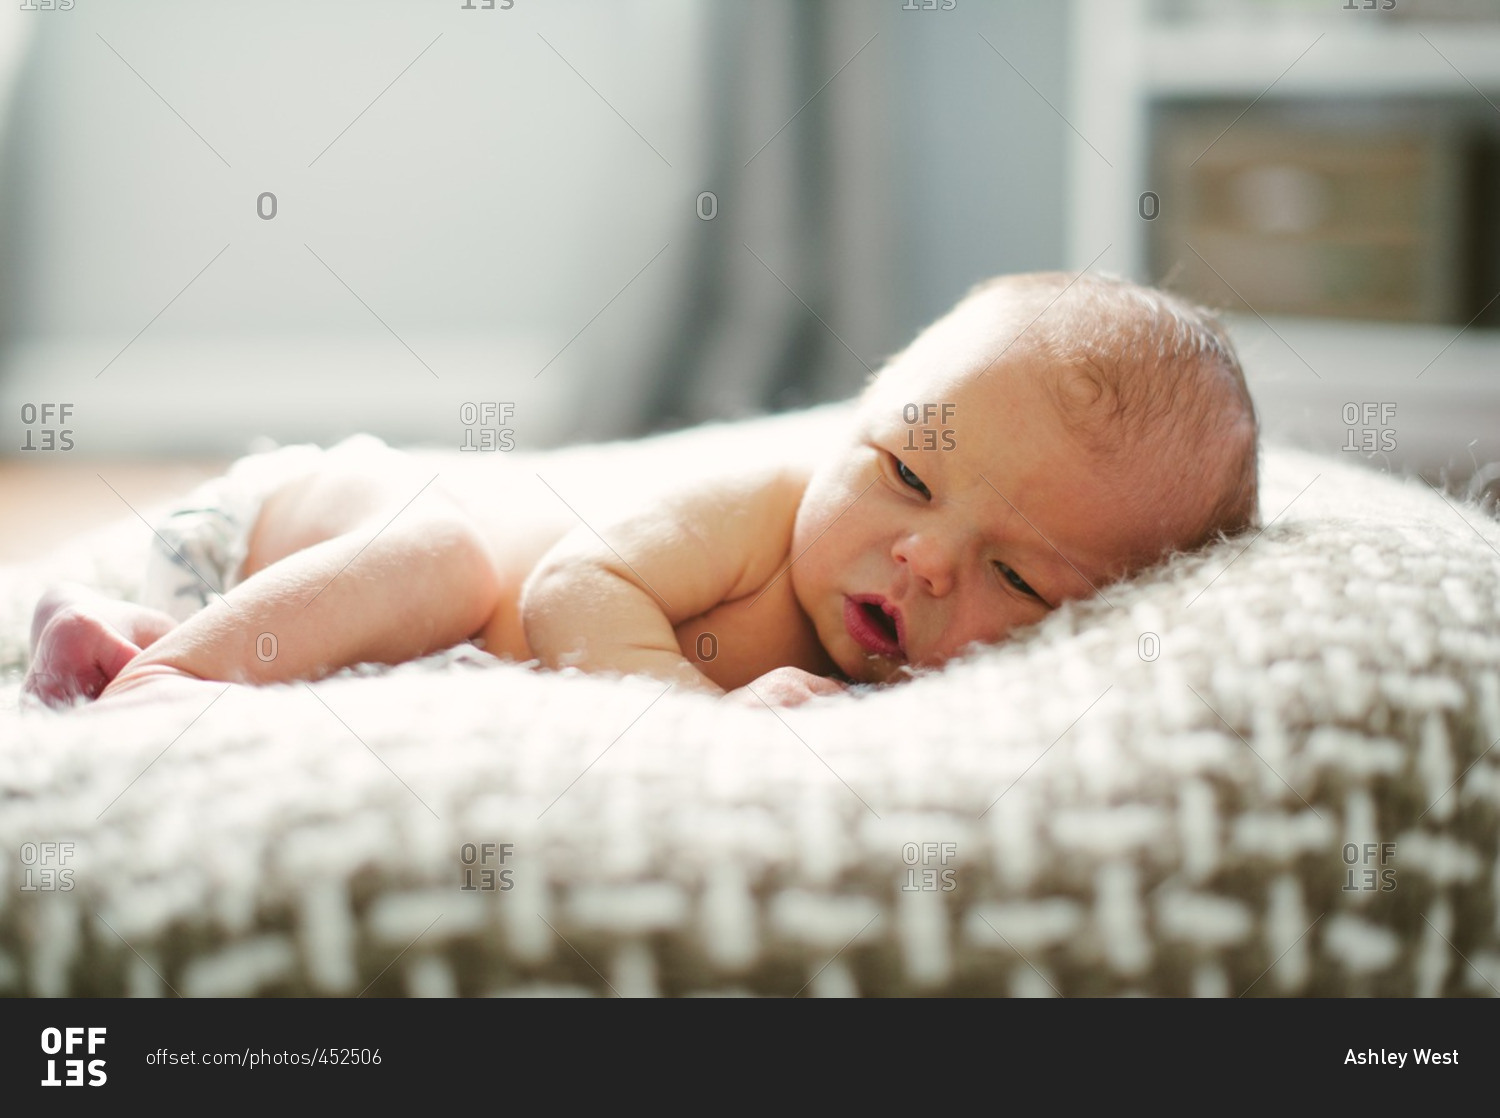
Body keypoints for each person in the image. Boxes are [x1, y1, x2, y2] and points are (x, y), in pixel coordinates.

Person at [22, 271, 1259, 710]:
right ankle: (172, 681)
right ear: (853, 422)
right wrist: (695, 717)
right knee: (448, 558)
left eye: (1019, 575)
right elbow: (572, 586)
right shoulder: (764, 510)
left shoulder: (917, 698)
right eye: (905, 472)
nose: (924, 557)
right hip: (324, 528)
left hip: (370, 650)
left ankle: (120, 632)